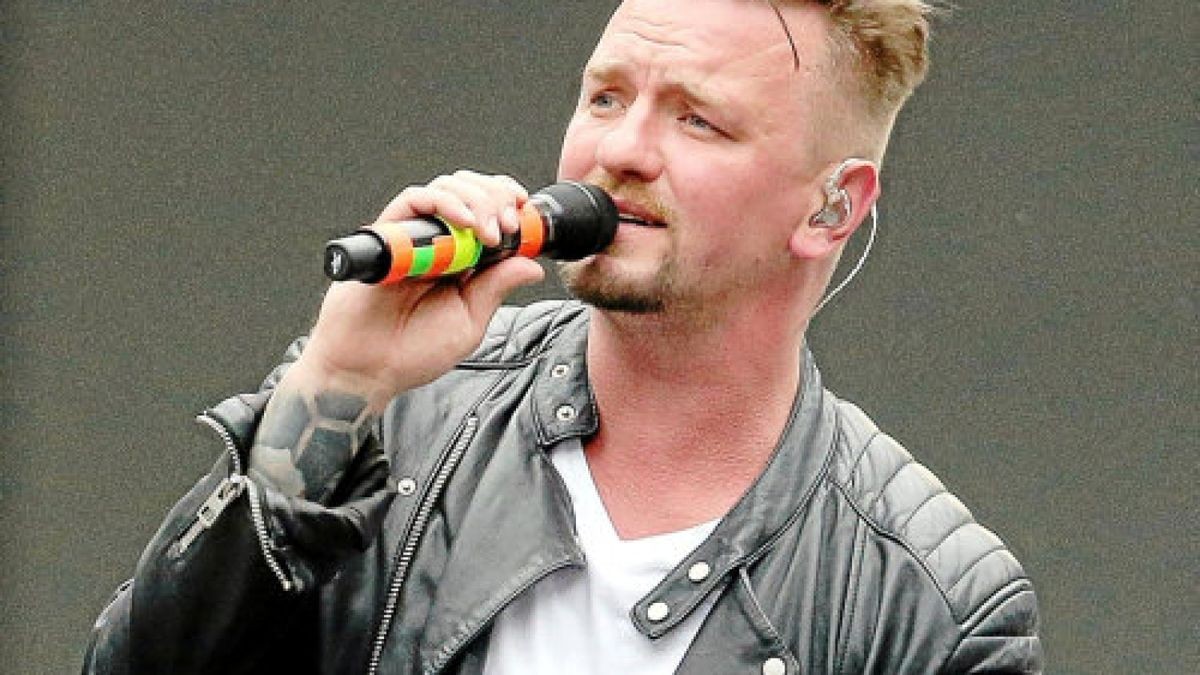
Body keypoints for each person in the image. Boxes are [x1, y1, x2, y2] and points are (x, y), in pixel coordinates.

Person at [84, 0, 1043, 673]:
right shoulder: (398, 412)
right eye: (606, 96)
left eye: (698, 120)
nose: (620, 150)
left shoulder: (935, 605)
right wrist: (333, 385)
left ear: (833, 208)